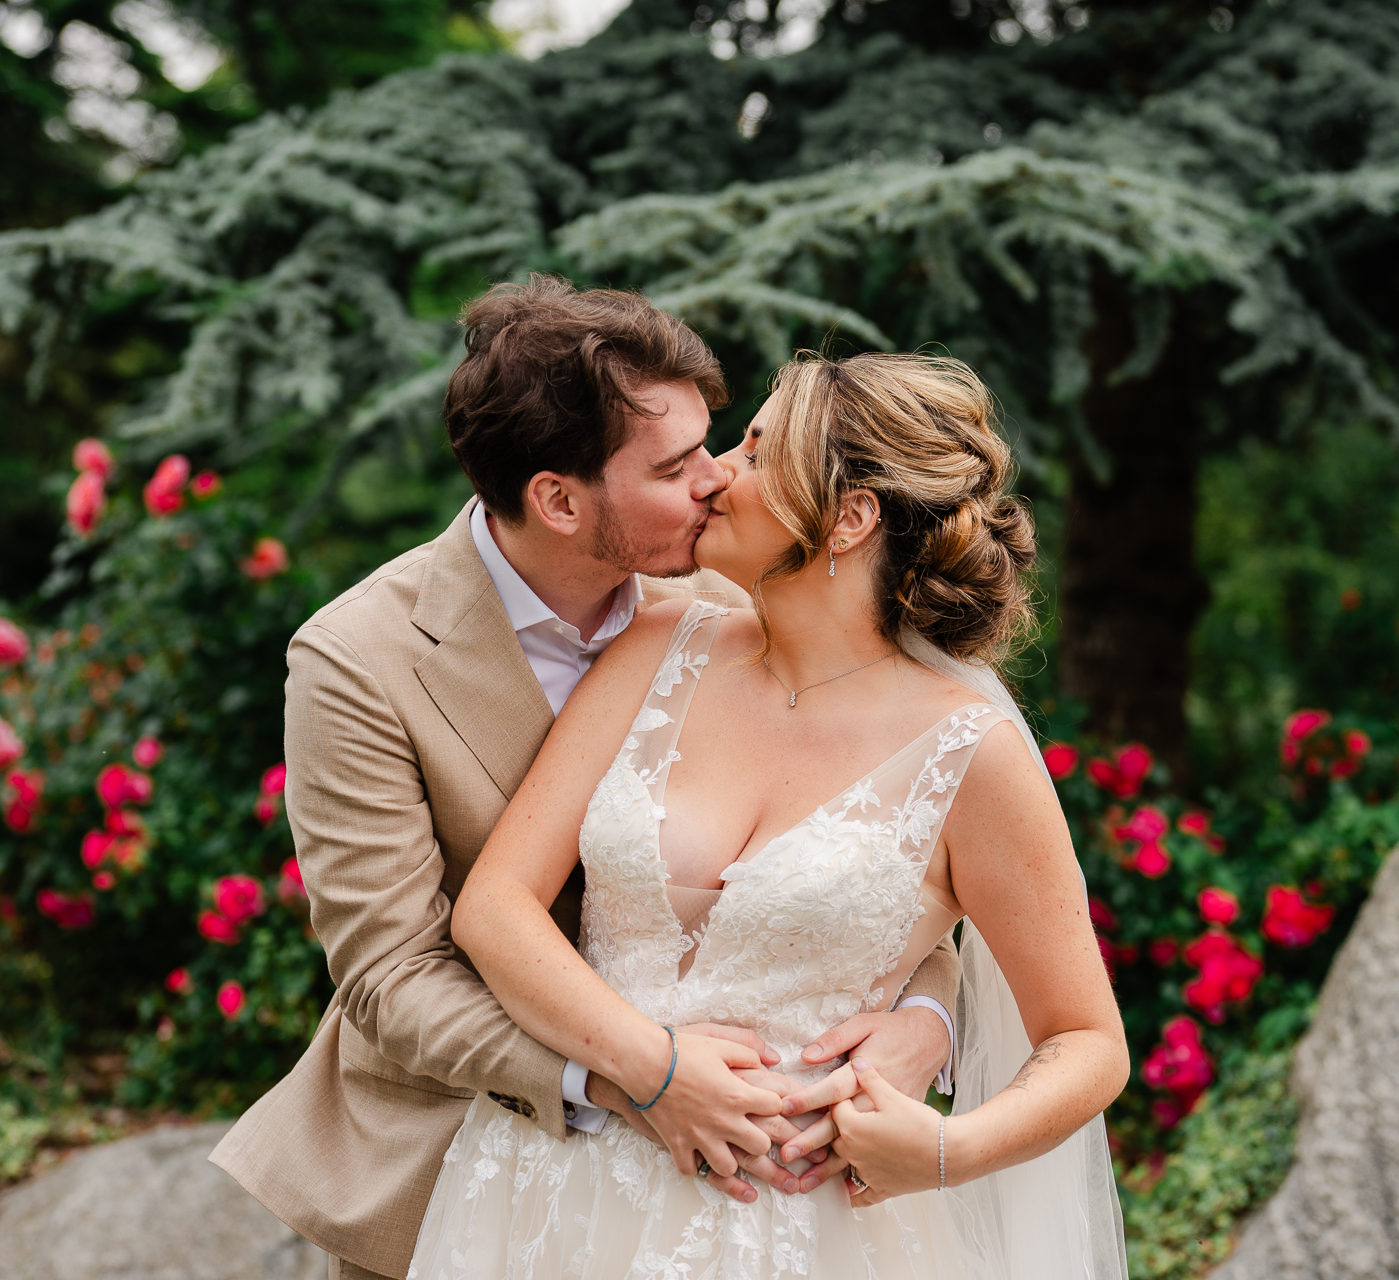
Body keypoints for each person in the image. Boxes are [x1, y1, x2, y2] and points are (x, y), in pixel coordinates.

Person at [210, 279, 963, 1280]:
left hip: (744, 1183)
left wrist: (926, 1018)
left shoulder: (728, 591)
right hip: (457, 1166)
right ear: (559, 500)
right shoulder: (359, 660)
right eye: (674, 465)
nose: (717, 481)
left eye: (714, 444)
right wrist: (627, 1077)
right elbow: (390, 977)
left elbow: (884, 834)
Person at [409, 351, 1130, 1279]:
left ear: (850, 515)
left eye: (753, 451)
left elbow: (1086, 1041)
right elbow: (496, 904)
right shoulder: (660, 643)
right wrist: (652, 1068)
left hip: (800, 1229)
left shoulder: (969, 754)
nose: (715, 475)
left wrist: (945, 1151)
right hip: (551, 1198)